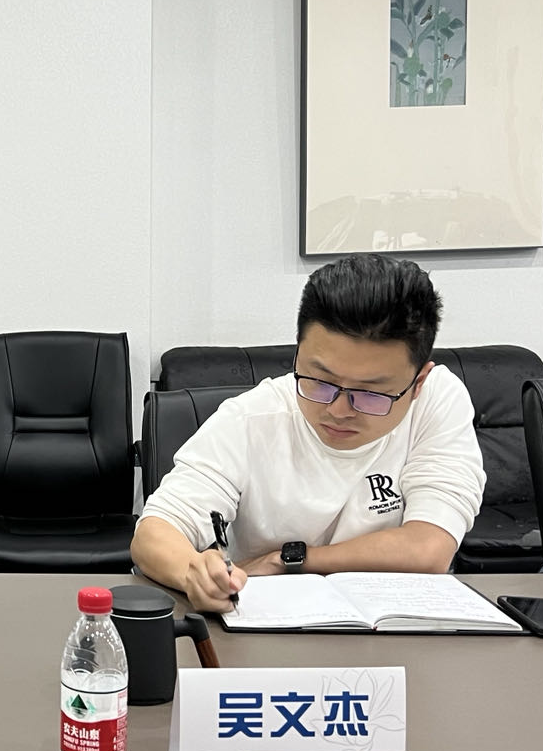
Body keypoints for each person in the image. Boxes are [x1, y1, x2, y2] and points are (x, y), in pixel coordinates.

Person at [132, 254, 485, 613]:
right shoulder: (252, 419)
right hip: (265, 621)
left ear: (418, 382)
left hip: (397, 622)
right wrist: (194, 573)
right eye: (320, 381)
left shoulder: (437, 401)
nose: (338, 410)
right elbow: (154, 533)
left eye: (370, 393)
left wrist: (287, 560)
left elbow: (428, 549)